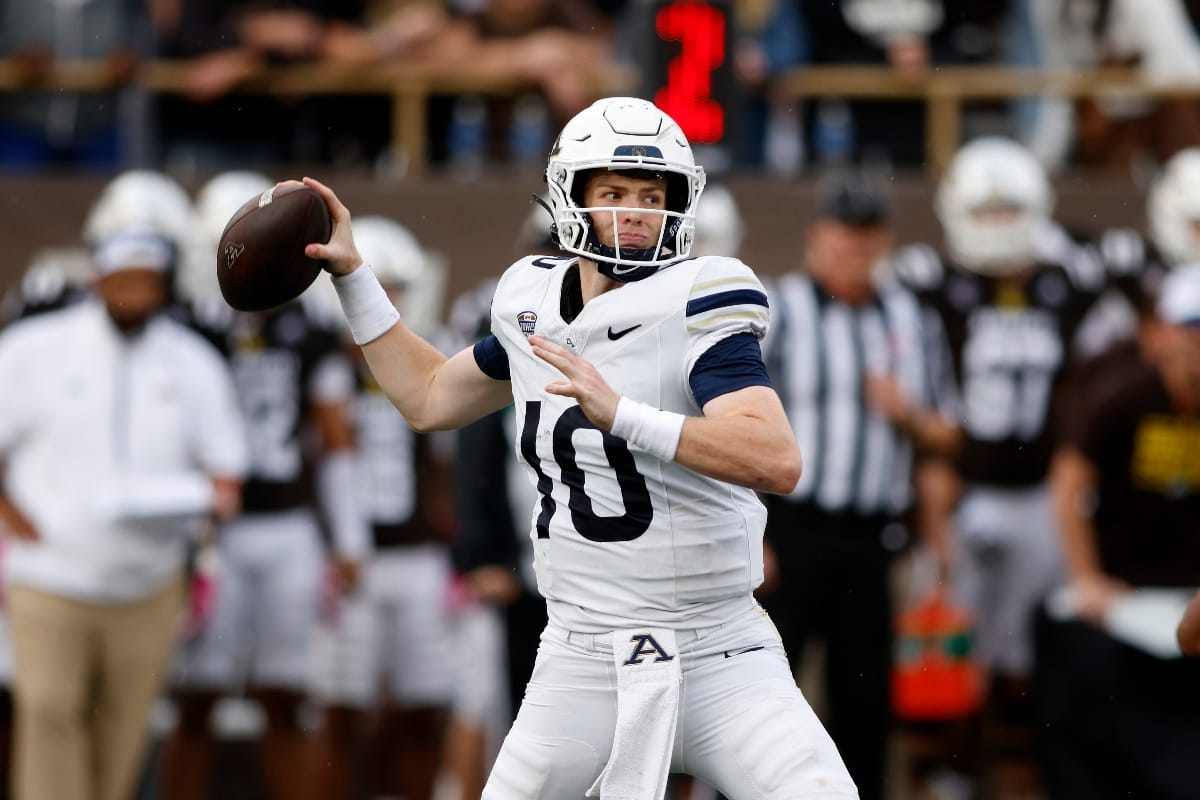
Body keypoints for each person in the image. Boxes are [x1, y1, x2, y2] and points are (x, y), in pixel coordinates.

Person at [299, 96, 858, 799]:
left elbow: (775, 457)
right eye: (614, 193)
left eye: (652, 196)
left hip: (722, 650)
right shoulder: (529, 298)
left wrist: (623, 414)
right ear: (572, 198)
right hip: (582, 655)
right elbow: (430, 397)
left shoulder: (700, 296)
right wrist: (354, 279)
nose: (635, 212)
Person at [890, 136, 1124, 798]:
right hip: (963, 492)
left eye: (1006, 211)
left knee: (1022, 654)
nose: (995, 226)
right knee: (946, 649)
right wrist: (929, 456)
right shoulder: (927, 282)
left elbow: (1104, 374)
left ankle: (1013, 767)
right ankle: (941, 771)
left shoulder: (1071, 279)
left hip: (1041, 492)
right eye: (983, 212)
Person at [0, 225, 248, 800]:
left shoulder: (193, 362)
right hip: (51, 578)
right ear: (98, 279)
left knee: (124, 729)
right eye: (123, 281)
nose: (134, 295)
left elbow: (227, 467)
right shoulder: (36, 349)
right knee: (49, 710)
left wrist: (206, 508)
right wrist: (17, 520)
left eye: (146, 283)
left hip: (150, 582)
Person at [163, 173, 368, 800]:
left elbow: (333, 439)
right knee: (194, 699)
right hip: (210, 528)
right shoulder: (185, 327)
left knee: (288, 695)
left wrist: (348, 535)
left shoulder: (304, 327)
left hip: (285, 526)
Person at [759, 174, 960, 800]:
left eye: (869, 236)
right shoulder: (779, 309)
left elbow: (945, 433)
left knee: (865, 698)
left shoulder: (909, 316)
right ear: (818, 238)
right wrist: (751, 532)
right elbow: (735, 426)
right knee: (767, 691)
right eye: (845, 235)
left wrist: (910, 418)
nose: (856, 249)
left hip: (873, 535)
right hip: (791, 528)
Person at [1038, 263, 1200, 799]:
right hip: (1129, 587)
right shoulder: (1122, 395)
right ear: (1163, 334)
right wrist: (1087, 577)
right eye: (1191, 330)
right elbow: (1068, 485)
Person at [307, 216, 455, 800]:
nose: (386, 301)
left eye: (395, 288)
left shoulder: (425, 356)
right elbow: (332, 456)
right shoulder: (326, 364)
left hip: (417, 557)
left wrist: (449, 540)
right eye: (378, 286)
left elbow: (443, 464)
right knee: (344, 712)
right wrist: (343, 545)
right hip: (351, 564)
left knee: (423, 705)